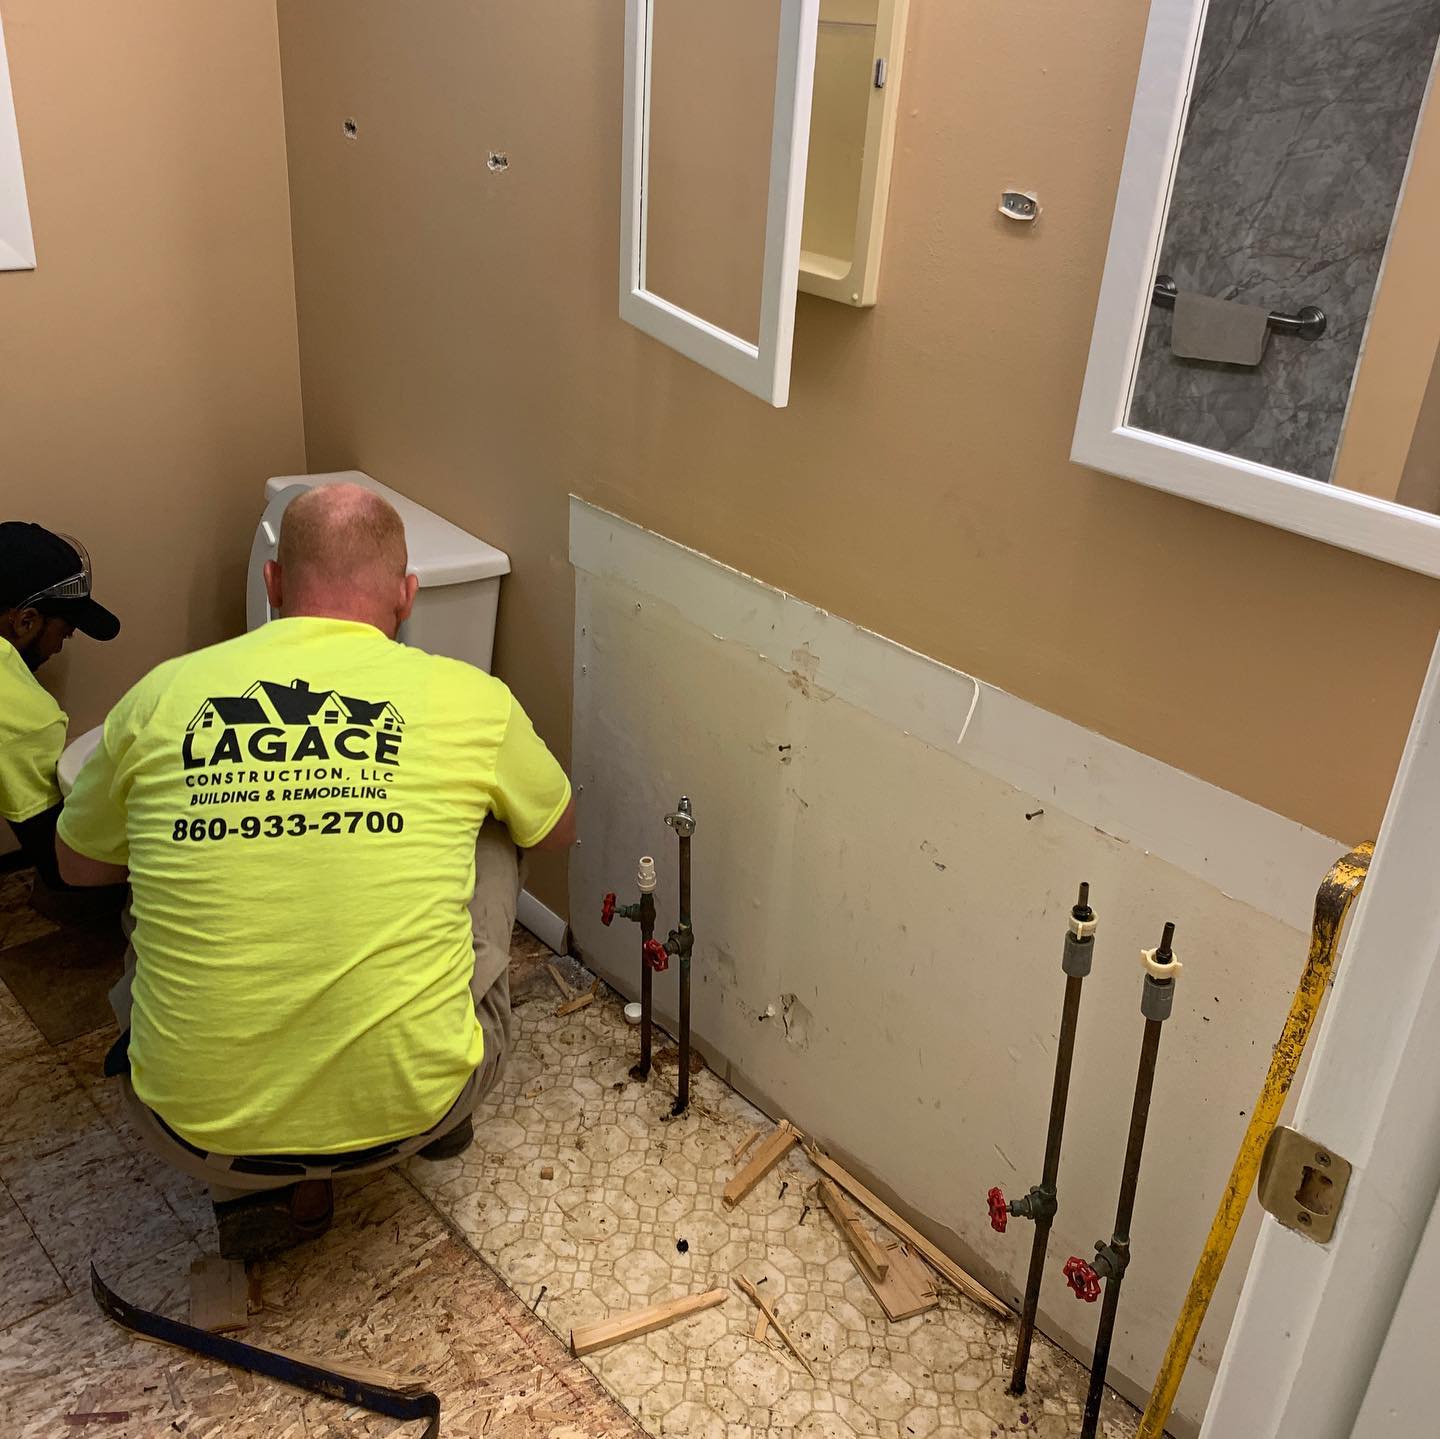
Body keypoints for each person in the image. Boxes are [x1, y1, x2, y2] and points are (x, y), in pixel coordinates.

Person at [56, 483, 576, 1260]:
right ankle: (438, 1110)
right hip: (420, 1106)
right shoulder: (470, 698)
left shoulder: (161, 695)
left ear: (272, 587)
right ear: (407, 597)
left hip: (191, 1129)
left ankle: (248, 1187)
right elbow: (559, 830)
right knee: (503, 820)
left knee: (144, 866)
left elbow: (78, 866)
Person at [0, 522, 122, 898]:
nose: (59, 648)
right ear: (25, 621)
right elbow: (62, 869)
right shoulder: (20, 713)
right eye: (64, 633)